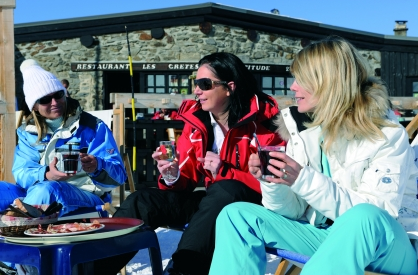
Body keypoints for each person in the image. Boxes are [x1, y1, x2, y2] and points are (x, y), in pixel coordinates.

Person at [209, 36, 418, 275]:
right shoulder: (306, 132)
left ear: (328, 83)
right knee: (236, 215)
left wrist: (303, 179)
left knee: (364, 216)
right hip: (325, 238)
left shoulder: (387, 135)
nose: (292, 87)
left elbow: (378, 215)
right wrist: (274, 181)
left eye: (301, 80)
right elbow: (294, 211)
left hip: (389, 249)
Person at [103, 52, 285, 275]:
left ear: (229, 87)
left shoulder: (264, 122)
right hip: (214, 203)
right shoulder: (198, 121)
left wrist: (225, 170)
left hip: (255, 207)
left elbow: (276, 183)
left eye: (204, 84)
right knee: (142, 200)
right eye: (195, 83)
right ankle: (90, 268)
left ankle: (181, 271)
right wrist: (172, 175)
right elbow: (186, 181)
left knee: (225, 188)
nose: (197, 90)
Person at [0, 59, 127, 217]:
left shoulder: (92, 126)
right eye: (45, 99)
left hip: (85, 196)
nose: (54, 102)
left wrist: (97, 165)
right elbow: (22, 172)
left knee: (47, 189)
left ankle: (18, 228)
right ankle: (18, 218)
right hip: (36, 191)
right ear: (34, 106)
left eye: (58, 95)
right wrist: (46, 174)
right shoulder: (28, 132)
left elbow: (119, 177)